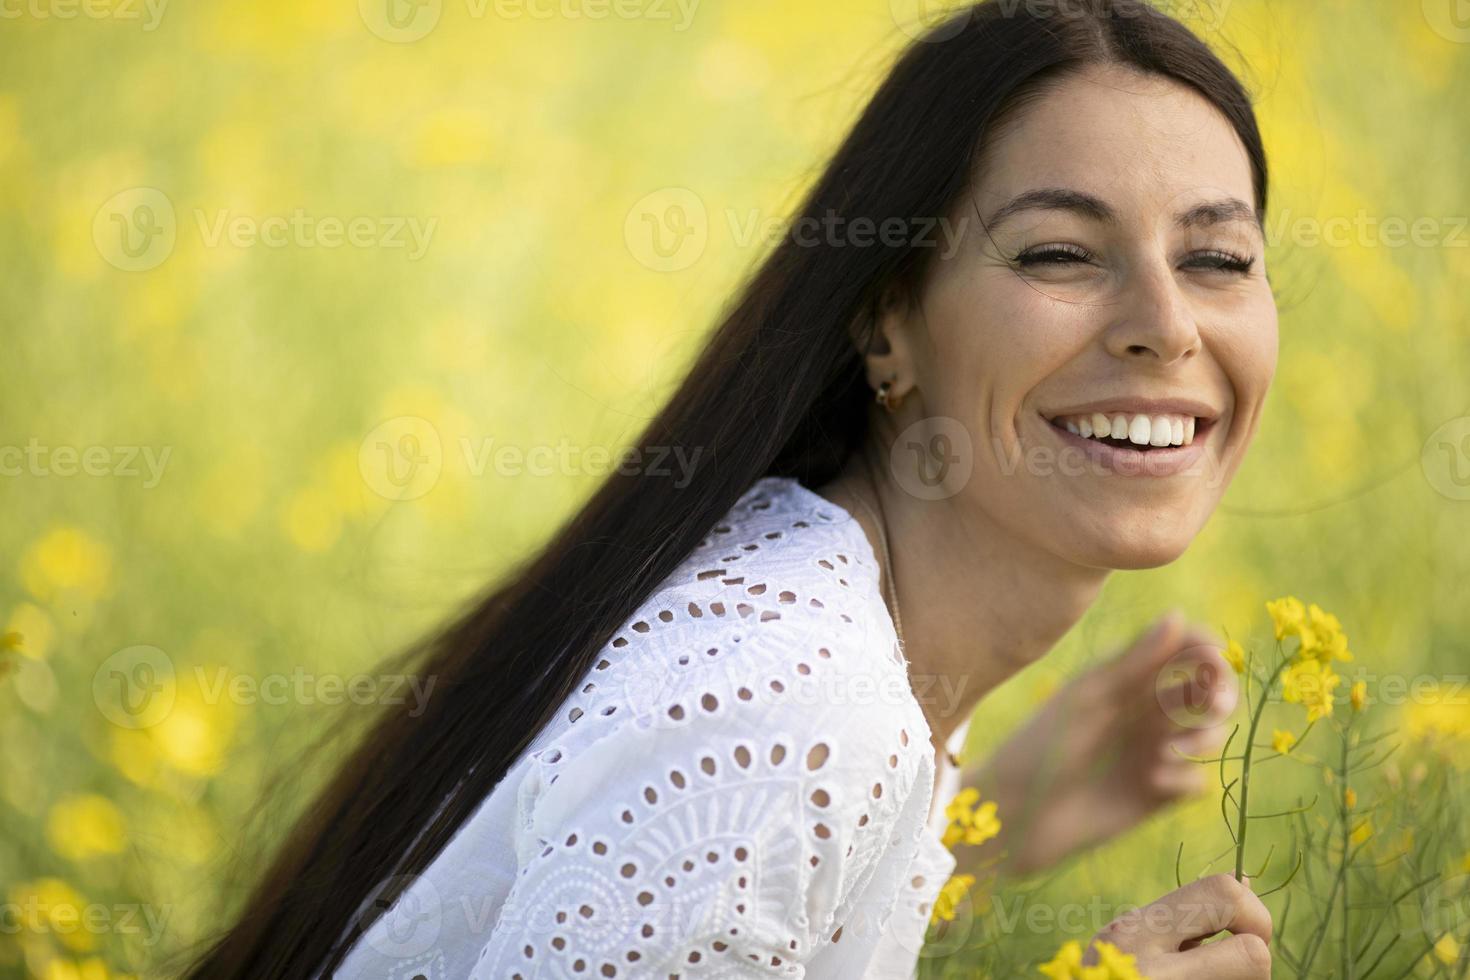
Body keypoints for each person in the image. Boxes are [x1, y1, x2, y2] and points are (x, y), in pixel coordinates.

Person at [183, 0, 1277, 976]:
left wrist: (981, 831)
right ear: (885, 320)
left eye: (1218, 260)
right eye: (1058, 253)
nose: (1168, 325)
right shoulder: (788, 700)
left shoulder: (811, 614)